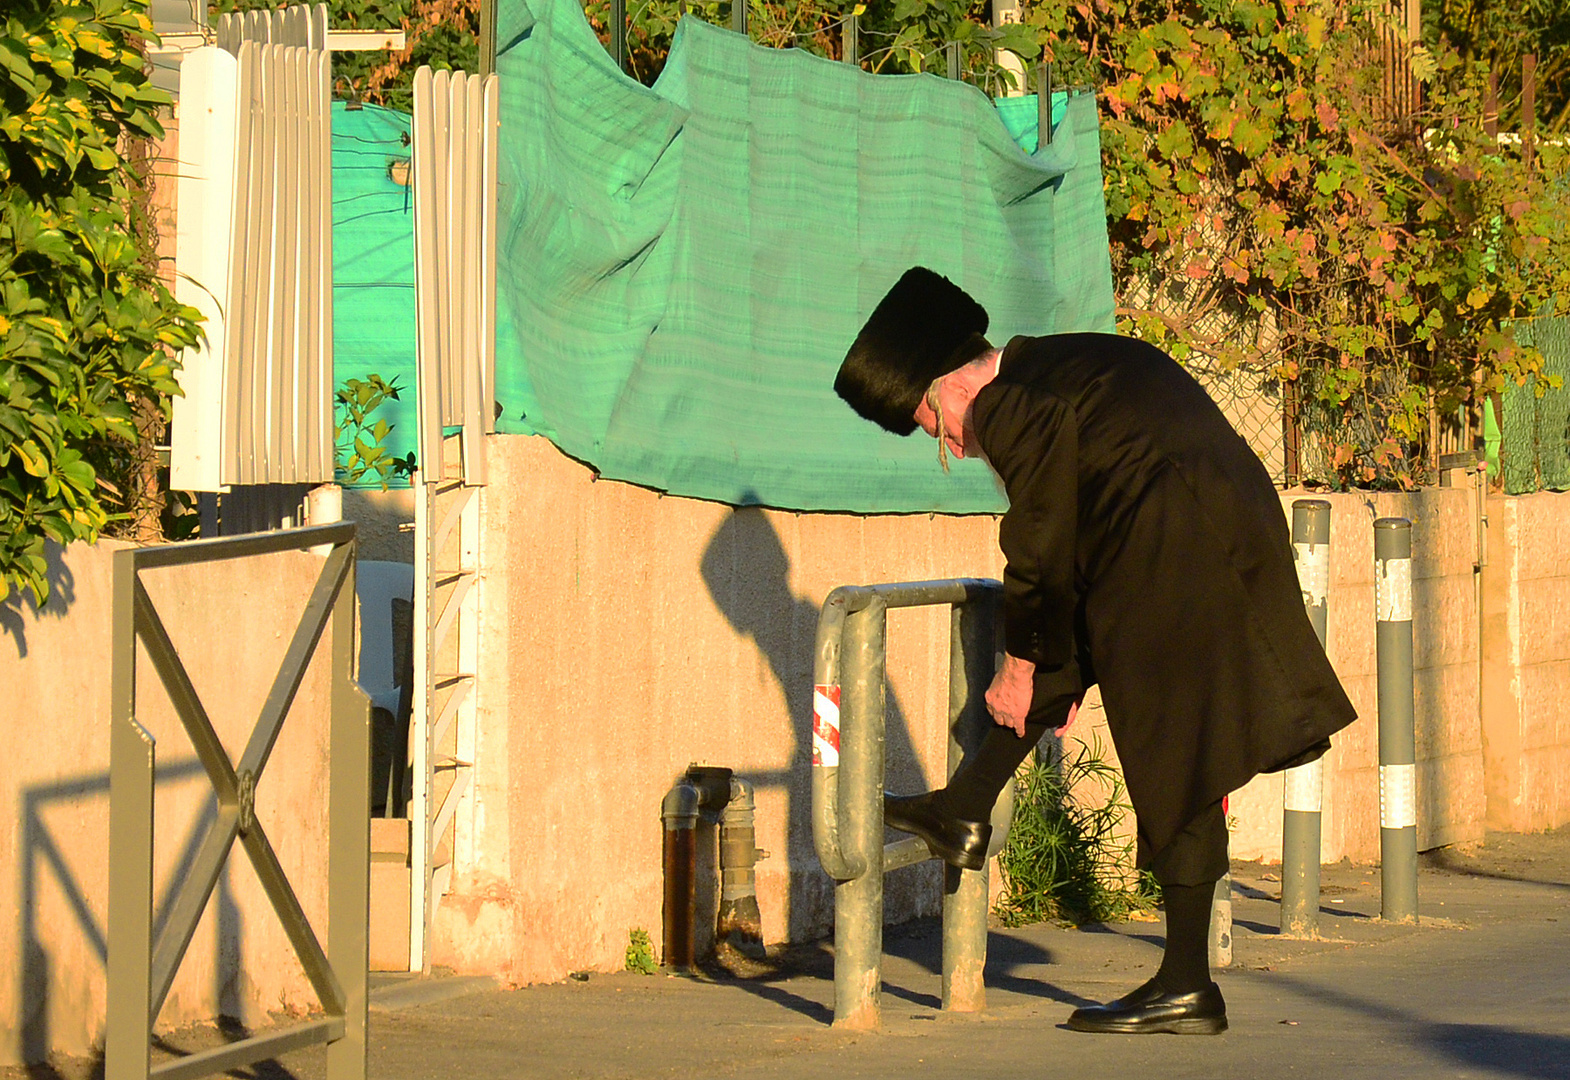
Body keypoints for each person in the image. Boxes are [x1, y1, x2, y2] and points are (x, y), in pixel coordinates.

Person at [833, 267, 1356, 1035]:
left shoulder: (1009, 403)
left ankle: (1185, 984)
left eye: (924, 417)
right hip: (1205, 531)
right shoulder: (1061, 364)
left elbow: (1040, 540)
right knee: (1128, 698)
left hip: (1177, 549)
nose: (943, 440)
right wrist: (1056, 659)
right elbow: (1077, 533)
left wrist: (1020, 662)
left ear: (947, 382)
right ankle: (964, 809)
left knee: (1176, 751)